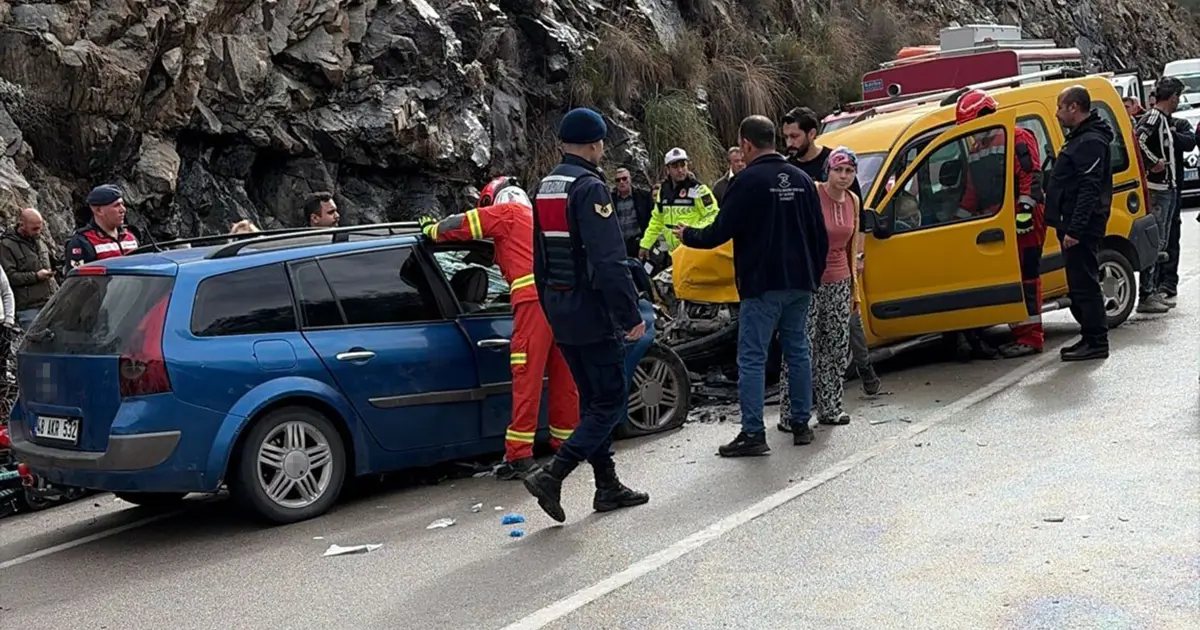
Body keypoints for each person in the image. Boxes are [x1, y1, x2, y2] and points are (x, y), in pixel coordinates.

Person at [672, 115, 829, 457]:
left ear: (745, 144)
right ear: (773, 139)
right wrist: (813, 276)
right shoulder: (802, 180)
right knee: (798, 351)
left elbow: (718, 232)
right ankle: (801, 424)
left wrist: (688, 236)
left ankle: (753, 433)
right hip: (799, 282)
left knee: (753, 358)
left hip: (762, 284)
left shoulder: (746, 182)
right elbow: (820, 235)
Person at [523, 107, 649, 522]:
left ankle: (607, 485)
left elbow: (539, 258)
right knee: (610, 400)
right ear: (595, 145)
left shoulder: (545, 187)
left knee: (593, 400)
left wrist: (550, 305)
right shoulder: (590, 188)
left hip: (560, 310)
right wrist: (630, 313)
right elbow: (609, 261)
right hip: (592, 312)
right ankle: (554, 475)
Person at [418, 176, 580, 480]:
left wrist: (433, 230)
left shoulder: (507, 215)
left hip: (532, 304)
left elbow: (462, 224)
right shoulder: (538, 219)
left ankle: (519, 455)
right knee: (563, 374)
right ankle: (566, 444)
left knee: (526, 375)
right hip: (560, 301)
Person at [780, 106, 881, 393]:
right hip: (806, 264)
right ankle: (806, 388)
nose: (789, 143)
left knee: (849, 319)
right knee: (807, 328)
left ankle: (864, 367)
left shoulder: (837, 163)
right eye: (786, 136)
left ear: (812, 134)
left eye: (794, 136)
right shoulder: (791, 170)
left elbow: (858, 215)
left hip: (840, 261)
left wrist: (858, 257)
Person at [955, 89, 1048, 358]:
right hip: (999, 220)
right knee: (1011, 279)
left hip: (1024, 219)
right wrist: (957, 219)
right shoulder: (976, 148)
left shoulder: (1017, 136)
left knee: (1028, 278)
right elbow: (973, 192)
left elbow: (1031, 176)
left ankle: (1031, 337)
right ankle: (1020, 332)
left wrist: (1025, 213)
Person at [774, 147, 860, 431]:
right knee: (801, 347)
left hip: (840, 280)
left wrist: (854, 290)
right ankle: (791, 413)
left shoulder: (853, 201)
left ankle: (831, 407)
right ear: (828, 171)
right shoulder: (812, 192)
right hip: (809, 281)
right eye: (838, 170)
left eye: (849, 171)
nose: (843, 176)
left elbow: (852, 247)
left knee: (834, 345)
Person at [1045, 85, 1113, 362]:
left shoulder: (1090, 141)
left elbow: (1089, 188)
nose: (1058, 113)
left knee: (1085, 283)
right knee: (1078, 283)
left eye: (1060, 107)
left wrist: (1075, 229)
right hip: (1073, 224)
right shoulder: (1080, 137)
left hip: (1081, 228)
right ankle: (1088, 336)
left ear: (1074, 107)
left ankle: (1097, 341)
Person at [1133, 76, 1184, 315]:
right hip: (1159, 189)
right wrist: (1154, 163)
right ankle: (1147, 292)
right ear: (1172, 97)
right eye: (1178, 97)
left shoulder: (1163, 119)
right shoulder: (1154, 117)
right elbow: (1138, 139)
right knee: (1155, 242)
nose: (1178, 102)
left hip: (1168, 187)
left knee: (1161, 241)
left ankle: (1151, 290)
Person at [637, 148, 719, 258]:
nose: (680, 170)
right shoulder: (663, 190)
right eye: (675, 166)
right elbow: (657, 219)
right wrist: (646, 244)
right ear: (668, 169)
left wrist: (690, 231)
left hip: (693, 250)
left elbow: (713, 215)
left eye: (683, 165)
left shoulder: (699, 190)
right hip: (673, 254)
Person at [1157, 112, 1196, 307]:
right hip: (1156, 189)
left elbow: (1190, 142)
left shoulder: (1179, 123)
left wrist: (1170, 134)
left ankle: (1169, 281)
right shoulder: (1149, 123)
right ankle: (1154, 284)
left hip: (1174, 188)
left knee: (1172, 233)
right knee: (1158, 238)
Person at [0, 208, 59, 331]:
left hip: (51, 302)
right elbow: (9, 277)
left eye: (40, 227)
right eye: (34, 229)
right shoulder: (6, 245)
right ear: (22, 225)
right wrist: (36, 276)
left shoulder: (40, 240)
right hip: (28, 308)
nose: (38, 231)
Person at [63, 184, 140, 273]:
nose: (123, 210)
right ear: (99, 210)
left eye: (123, 204)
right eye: (116, 205)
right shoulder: (82, 242)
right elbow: (78, 282)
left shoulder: (130, 236)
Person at [610, 167, 654, 257]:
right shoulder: (610, 199)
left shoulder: (643, 196)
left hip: (638, 243)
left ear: (630, 179)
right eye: (618, 180)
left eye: (624, 178)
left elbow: (652, 219)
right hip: (618, 245)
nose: (621, 182)